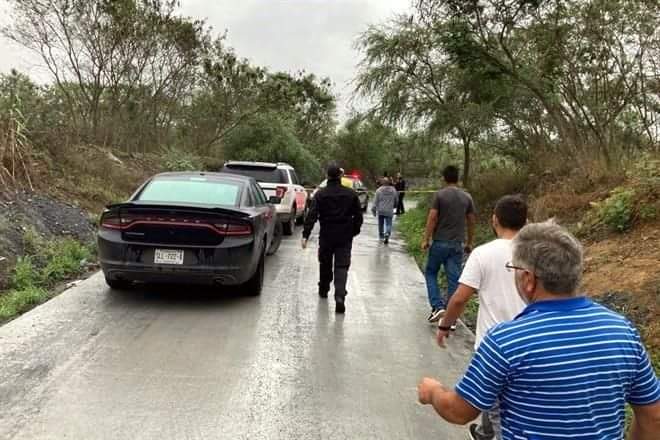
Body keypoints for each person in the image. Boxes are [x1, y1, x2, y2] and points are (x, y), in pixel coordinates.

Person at [417, 221, 660, 439]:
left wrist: (433, 392)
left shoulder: (506, 341)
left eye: (513, 270)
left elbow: (459, 412)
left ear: (529, 279)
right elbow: (654, 418)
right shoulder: (623, 332)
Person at [436, 195, 528, 440]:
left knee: (492, 390)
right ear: (526, 222)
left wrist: (446, 324)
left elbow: (459, 298)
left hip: (493, 342)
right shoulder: (535, 254)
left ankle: (488, 433)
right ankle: (488, 431)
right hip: (531, 340)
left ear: (494, 220)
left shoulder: (483, 253)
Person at [302, 163, 364, 313]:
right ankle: (340, 295)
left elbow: (312, 215)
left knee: (325, 263)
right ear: (340, 176)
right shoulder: (351, 194)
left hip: (327, 235)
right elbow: (359, 216)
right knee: (342, 266)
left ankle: (324, 288)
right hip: (344, 235)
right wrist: (353, 231)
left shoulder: (320, 194)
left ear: (327, 176)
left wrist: (306, 235)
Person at [421, 165, 476, 323]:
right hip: (456, 244)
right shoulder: (467, 197)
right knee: (454, 279)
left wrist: (426, 239)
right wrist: (469, 242)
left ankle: (437, 307)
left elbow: (432, 218)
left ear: (444, 178)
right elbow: (472, 221)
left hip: (439, 242)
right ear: (458, 178)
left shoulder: (440, 195)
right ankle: (450, 317)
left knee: (431, 272)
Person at [372, 177, 398, 244]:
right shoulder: (393, 190)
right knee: (388, 224)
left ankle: (381, 237)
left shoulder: (378, 190)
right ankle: (387, 233)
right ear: (389, 183)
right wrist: (395, 206)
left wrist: (374, 209)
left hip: (380, 210)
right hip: (389, 210)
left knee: (381, 224)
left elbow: (375, 201)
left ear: (382, 183)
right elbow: (396, 200)